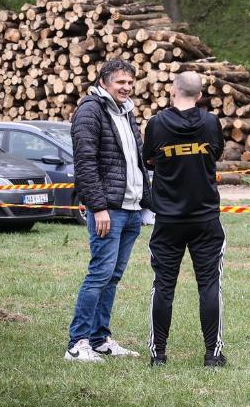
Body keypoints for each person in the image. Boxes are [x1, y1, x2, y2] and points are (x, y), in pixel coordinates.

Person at [65, 59, 151, 362]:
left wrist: (146, 202)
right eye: (120, 83)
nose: (126, 88)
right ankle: (78, 343)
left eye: (130, 82)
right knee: (99, 274)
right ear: (104, 82)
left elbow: (136, 161)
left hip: (130, 208)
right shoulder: (91, 110)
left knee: (113, 276)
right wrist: (98, 207)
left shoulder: (127, 112)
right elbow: (85, 163)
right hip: (108, 211)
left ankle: (100, 339)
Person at [144, 71, 227, 367]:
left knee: (163, 285)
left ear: (172, 90)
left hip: (168, 219)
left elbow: (149, 159)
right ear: (200, 95)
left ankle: (159, 355)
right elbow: (215, 152)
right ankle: (212, 355)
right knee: (209, 284)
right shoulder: (210, 122)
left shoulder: (155, 124)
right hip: (205, 217)